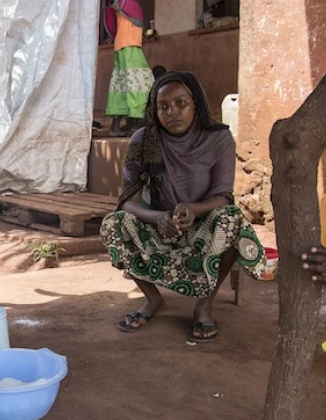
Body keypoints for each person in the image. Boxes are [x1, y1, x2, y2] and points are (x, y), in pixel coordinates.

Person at [100, 71, 267, 343]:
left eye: (180, 103)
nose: (172, 112)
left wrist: (193, 209)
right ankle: (153, 301)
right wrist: (158, 218)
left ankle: (204, 304)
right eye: (163, 107)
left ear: (196, 104)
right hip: (161, 226)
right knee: (113, 224)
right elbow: (127, 202)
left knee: (231, 219)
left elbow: (223, 196)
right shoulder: (143, 140)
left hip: (202, 225)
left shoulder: (219, 138)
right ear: (154, 110)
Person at [103, 0, 155, 138]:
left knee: (123, 86)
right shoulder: (120, 1)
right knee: (141, 83)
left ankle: (117, 127)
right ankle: (133, 125)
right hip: (127, 48)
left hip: (129, 46)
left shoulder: (130, 4)